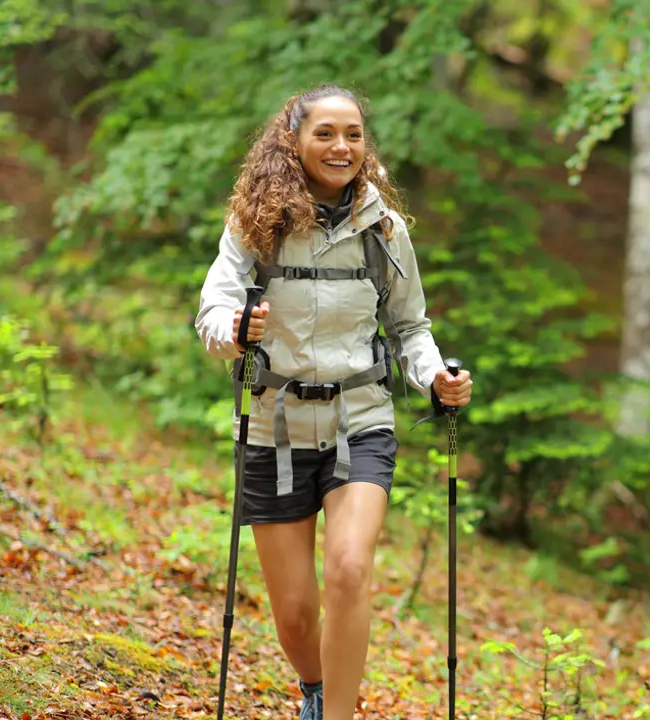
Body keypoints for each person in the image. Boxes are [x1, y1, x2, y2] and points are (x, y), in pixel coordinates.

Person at [194, 83, 473, 720]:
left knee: (349, 567)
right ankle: (316, 690)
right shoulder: (255, 223)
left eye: (352, 134)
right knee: (294, 616)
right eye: (325, 133)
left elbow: (410, 328)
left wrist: (434, 378)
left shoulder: (384, 228)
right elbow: (213, 308)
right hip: (274, 427)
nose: (341, 146)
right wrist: (235, 331)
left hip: (361, 422)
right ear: (292, 141)